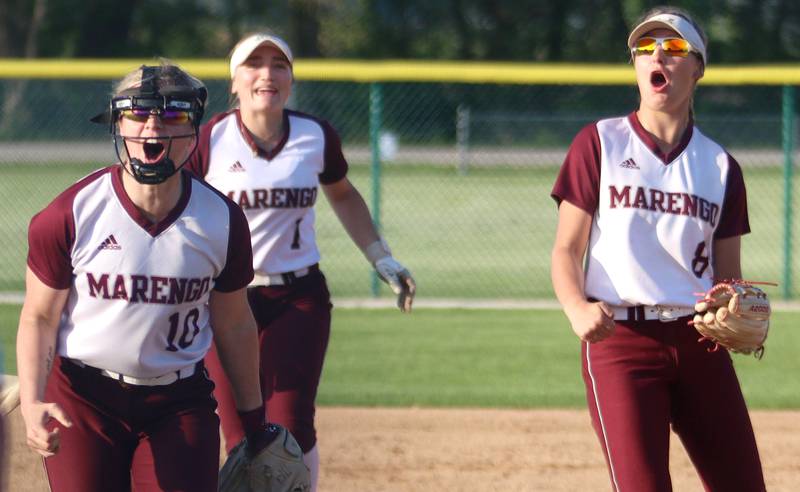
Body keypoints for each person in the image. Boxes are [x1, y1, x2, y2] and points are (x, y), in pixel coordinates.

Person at [16, 62, 279, 491]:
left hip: (179, 401)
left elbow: (234, 323)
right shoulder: (71, 213)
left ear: (195, 128)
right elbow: (40, 317)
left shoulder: (221, 220)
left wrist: (254, 422)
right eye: (137, 114)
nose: (152, 128)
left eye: (173, 114)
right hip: (84, 398)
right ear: (118, 124)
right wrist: (31, 401)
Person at [185, 32, 416, 491]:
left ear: (291, 80)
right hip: (226, 300)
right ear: (234, 81)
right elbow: (180, 209)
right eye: (254, 64)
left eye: (279, 65)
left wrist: (380, 256)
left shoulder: (314, 135)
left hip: (297, 296)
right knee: (240, 433)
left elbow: (344, 195)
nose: (267, 74)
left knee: (291, 424)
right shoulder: (211, 138)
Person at [550, 7, 765, 491]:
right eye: (646, 48)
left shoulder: (720, 166)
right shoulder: (600, 142)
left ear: (698, 68)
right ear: (635, 65)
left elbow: (728, 276)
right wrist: (575, 307)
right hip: (620, 342)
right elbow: (566, 249)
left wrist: (734, 304)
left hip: (699, 342)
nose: (658, 56)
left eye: (674, 47)